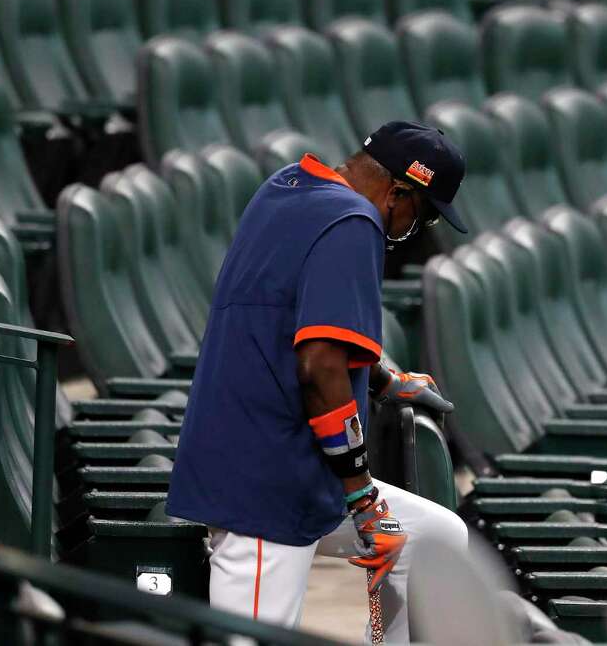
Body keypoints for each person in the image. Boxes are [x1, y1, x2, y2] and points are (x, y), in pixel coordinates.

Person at [167, 121, 470, 643]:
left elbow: (293, 313)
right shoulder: (354, 220)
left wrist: (380, 379)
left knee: (435, 538)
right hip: (265, 485)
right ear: (398, 191)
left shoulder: (289, 186)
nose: (412, 231)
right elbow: (319, 367)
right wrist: (363, 501)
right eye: (419, 217)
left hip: (289, 470)